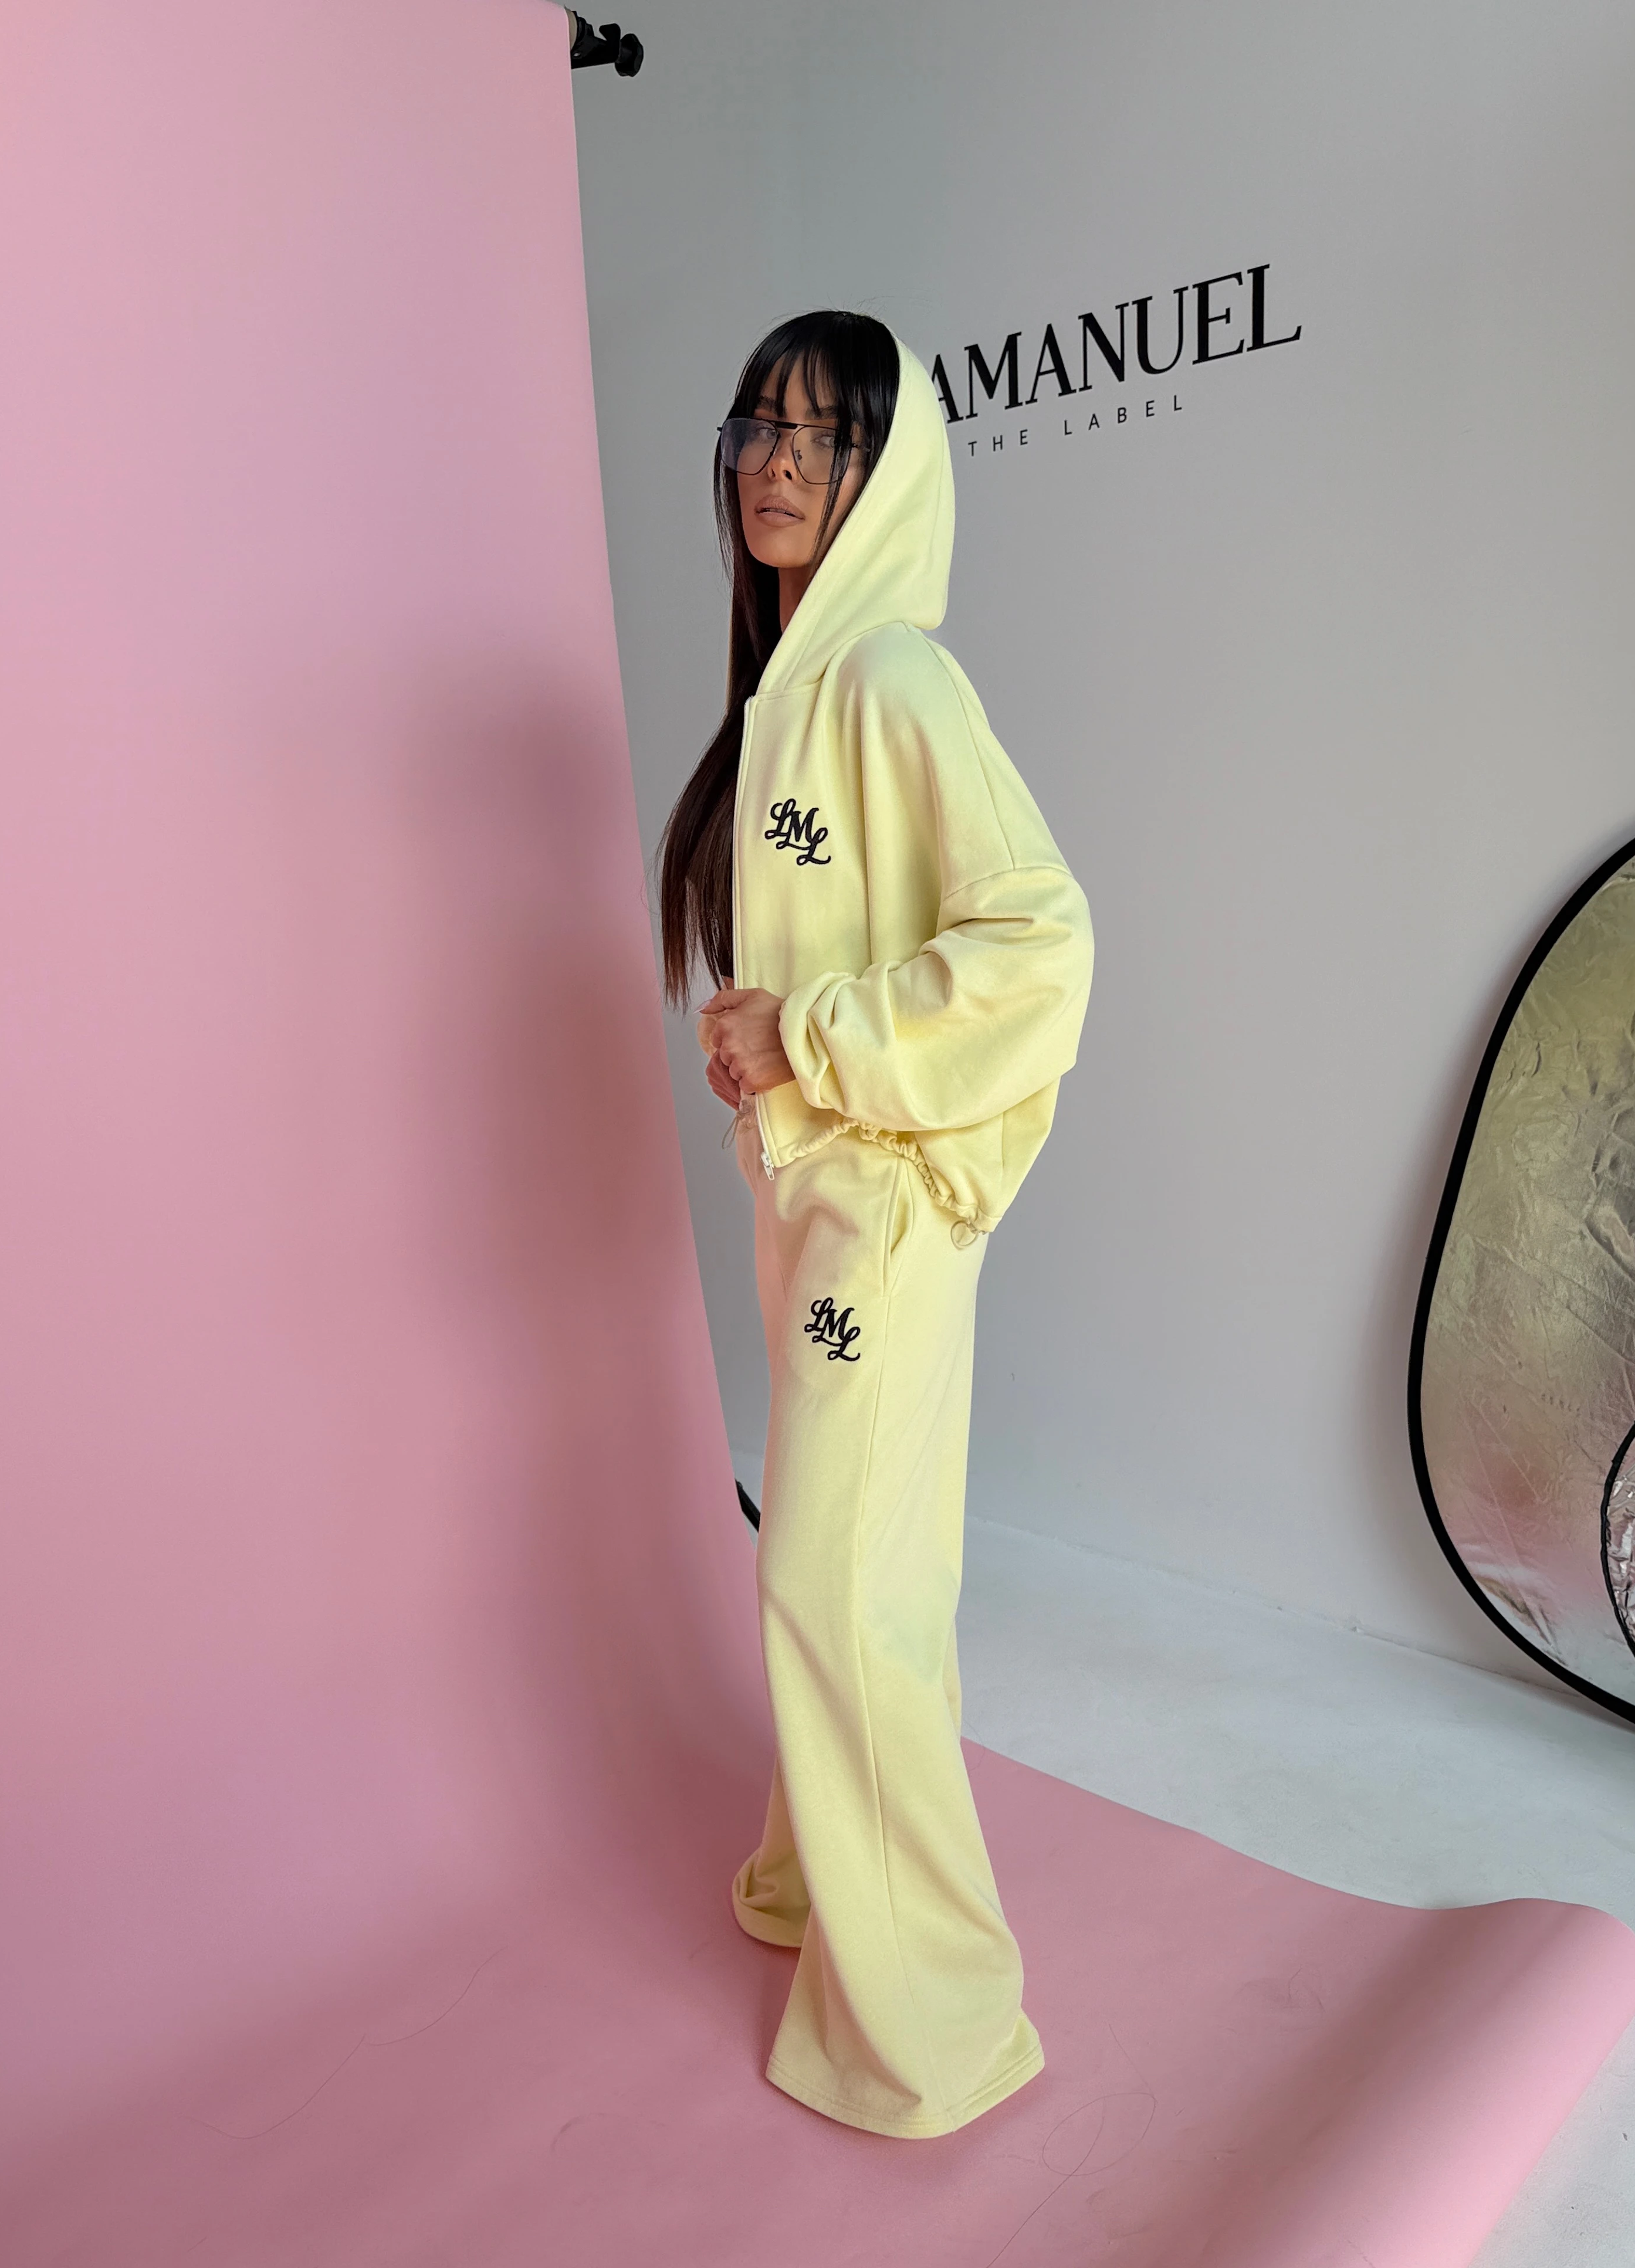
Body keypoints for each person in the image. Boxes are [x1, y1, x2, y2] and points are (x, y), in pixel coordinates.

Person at [658, 310, 1093, 2139]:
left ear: (884, 472)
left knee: (835, 1581)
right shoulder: (790, 694)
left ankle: (935, 2029)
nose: (778, 461)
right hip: (818, 1202)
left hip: (883, 1217)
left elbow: (1040, 944)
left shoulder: (896, 678)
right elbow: (827, 955)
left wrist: (818, 1036)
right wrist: (763, 1045)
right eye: (759, 423)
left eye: (824, 435)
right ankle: (813, 1886)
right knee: (858, 1564)